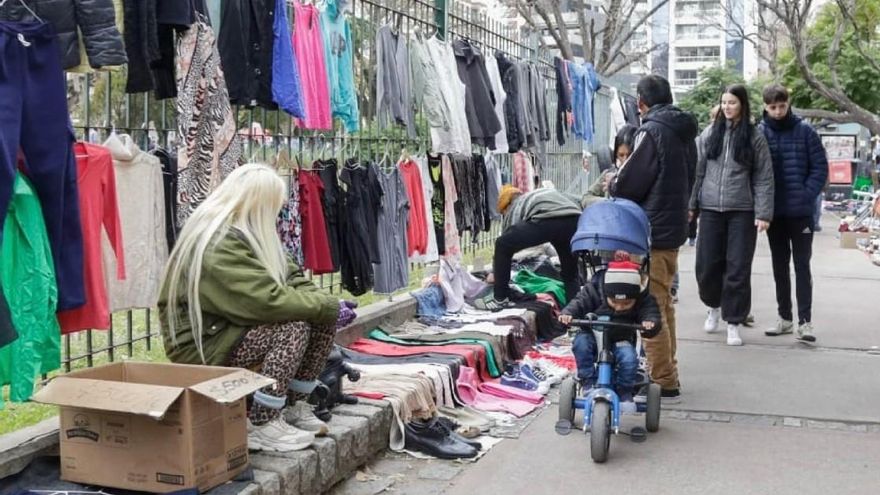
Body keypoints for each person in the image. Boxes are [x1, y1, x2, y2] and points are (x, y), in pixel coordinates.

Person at [158, 163, 357, 453]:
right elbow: (264, 301)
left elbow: (294, 279)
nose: (277, 213)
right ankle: (262, 422)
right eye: (274, 206)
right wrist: (325, 306)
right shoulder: (216, 241)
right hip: (206, 344)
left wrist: (328, 306)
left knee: (320, 318)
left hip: (231, 330)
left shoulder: (252, 233)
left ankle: (294, 406)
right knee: (293, 327)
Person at [610, 75, 698, 403]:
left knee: (651, 305)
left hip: (652, 229)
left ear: (641, 102)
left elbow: (631, 181)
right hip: (673, 226)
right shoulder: (683, 130)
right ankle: (667, 370)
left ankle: (663, 378)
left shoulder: (652, 130)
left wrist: (614, 185)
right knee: (664, 302)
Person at [690, 84, 774, 346]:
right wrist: (691, 204)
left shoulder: (754, 137)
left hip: (742, 211)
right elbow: (697, 171)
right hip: (710, 209)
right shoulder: (709, 133)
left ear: (742, 105)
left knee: (737, 268)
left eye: (732, 103)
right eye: (724, 102)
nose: (727, 107)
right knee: (707, 267)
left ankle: (734, 322)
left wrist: (763, 213)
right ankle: (713, 306)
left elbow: (763, 177)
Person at [759, 84, 828, 342]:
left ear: (788, 103)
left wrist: (806, 194)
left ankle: (805, 322)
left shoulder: (806, 131)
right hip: (774, 214)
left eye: (782, 106)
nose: (778, 111)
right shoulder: (760, 132)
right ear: (766, 107)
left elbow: (820, 168)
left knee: (801, 265)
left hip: (801, 214)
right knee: (779, 266)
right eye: (773, 107)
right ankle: (785, 318)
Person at [558, 261, 661, 413]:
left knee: (629, 359)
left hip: (621, 338)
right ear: (606, 294)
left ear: (635, 297)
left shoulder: (642, 297)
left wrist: (650, 322)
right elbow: (579, 302)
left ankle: (624, 391)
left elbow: (650, 311)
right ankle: (588, 381)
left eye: (626, 304)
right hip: (592, 334)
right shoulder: (594, 290)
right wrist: (568, 314)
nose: (619, 307)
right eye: (614, 302)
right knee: (580, 344)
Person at [492, 185, 583, 308]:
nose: (505, 215)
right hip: (575, 219)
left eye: (504, 213)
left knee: (502, 244)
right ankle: (574, 312)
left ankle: (500, 298)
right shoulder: (535, 196)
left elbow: (507, 240)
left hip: (551, 219)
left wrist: (495, 273)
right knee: (570, 273)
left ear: (507, 206)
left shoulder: (516, 205)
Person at [583, 125, 638, 206]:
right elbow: (586, 198)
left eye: (629, 155)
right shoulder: (608, 174)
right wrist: (607, 203)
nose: (625, 160)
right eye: (621, 155)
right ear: (616, 155)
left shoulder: (642, 179)